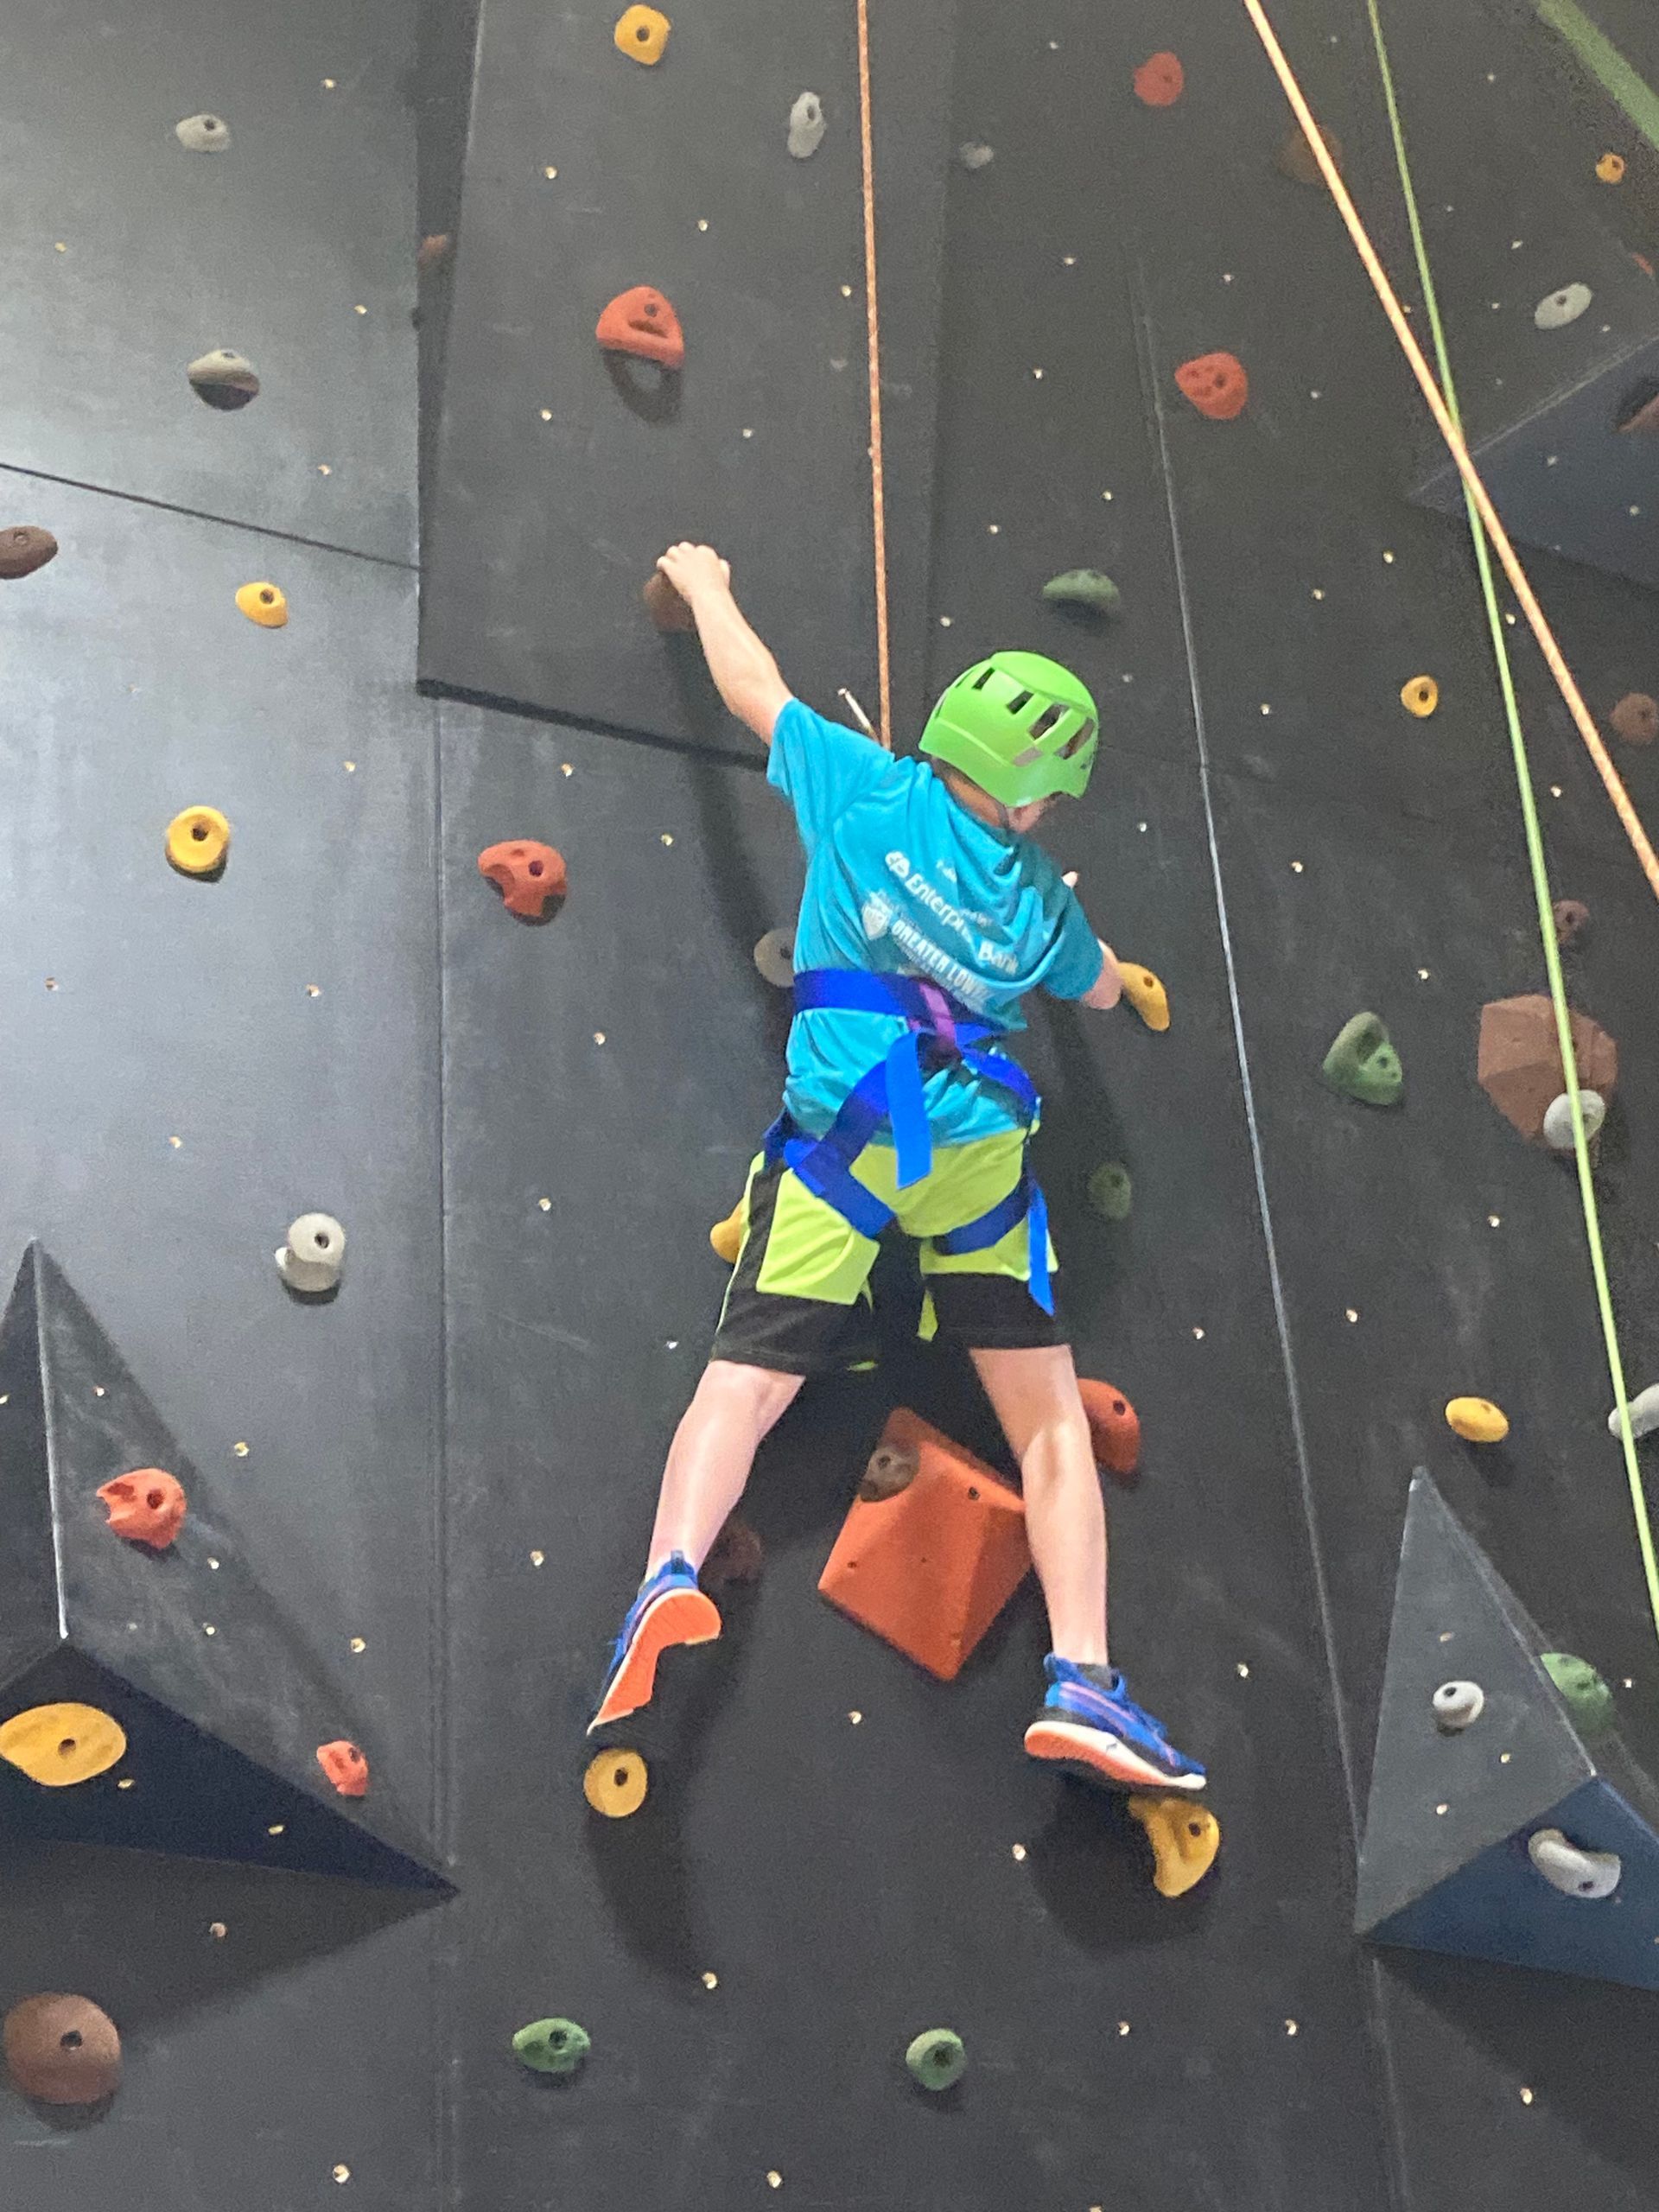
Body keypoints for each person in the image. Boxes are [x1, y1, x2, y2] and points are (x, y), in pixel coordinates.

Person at [588, 542, 1205, 1796]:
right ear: (1037, 799)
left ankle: (666, 1577)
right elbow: (1093, 983)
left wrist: (709, 585)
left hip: (848, 1146)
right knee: (1045, 1430)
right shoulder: (1039, 903)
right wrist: (1113, 975)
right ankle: (1083, 1676)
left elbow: (752, 686)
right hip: (974, 1163)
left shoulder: (863, 788)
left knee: (744, 1388)